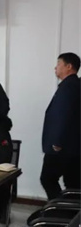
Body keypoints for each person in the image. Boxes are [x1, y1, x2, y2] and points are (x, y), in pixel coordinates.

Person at [40, 52, 80, 200]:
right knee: (73, 183)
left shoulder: (69, 87)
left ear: (68, 66)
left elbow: (63, 115)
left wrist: (57, 141)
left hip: (61, 146)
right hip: (73, 146)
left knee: (48, 178)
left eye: (58, 64)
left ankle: (58, 209)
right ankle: (70, 211)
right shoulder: (74, 85)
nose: (55, 68)